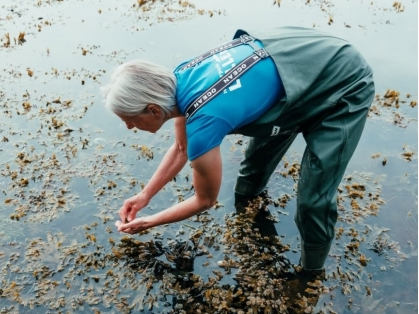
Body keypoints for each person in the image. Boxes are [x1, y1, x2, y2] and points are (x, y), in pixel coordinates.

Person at [101, 26, 374, 272]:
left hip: (342, 76)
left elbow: (205, 201)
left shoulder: (204, 121)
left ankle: (311, 272)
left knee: (313, 199)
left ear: (152, 109)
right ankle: (252, 199)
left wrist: (149, 222)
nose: (128, 127)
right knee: (251, 174)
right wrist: (144, 196)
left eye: (129, 120)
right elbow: (181, 148)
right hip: (295, 66)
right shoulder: (178, 79)